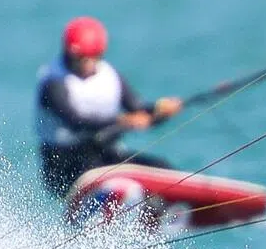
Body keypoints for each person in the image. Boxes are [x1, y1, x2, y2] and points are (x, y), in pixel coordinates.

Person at [36, 16, 184, 197]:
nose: (84, 64)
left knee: (162, 169)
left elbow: (137, 111)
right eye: (79, 59)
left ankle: (174, 210)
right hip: (63, 165)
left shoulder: (109, 75)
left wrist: (160, 111)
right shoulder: (53, 82)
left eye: (90, 58)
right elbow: (76, 121)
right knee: (105, 177)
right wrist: (124, 121)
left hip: (104, 155)